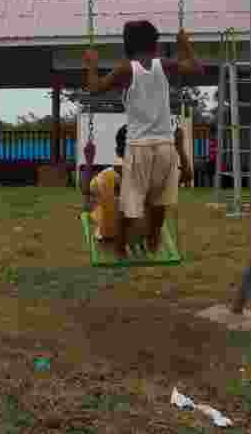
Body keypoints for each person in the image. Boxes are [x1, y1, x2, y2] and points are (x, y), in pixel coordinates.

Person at [83, 22, 203, 259]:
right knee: (160, 201)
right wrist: (185, 45)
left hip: (139, 147)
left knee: (132, 203)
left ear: (126, 45)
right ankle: (154, 234)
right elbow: (196, 68)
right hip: (165, 145)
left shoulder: (125, 69)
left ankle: (122, 244)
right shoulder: (164, 65)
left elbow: (95, 87)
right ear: (156, 44)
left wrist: (91, 66)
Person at [83, 123, 190, 247]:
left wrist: (89, 161)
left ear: (118, 152)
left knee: (100, 204)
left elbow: (86, 193)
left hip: (109, 235)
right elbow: (187, 176)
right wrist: (180, 149)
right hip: (141, 235)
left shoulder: (104, 177)